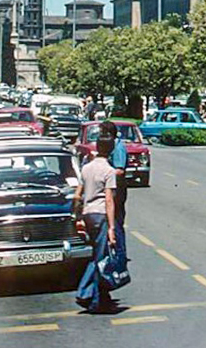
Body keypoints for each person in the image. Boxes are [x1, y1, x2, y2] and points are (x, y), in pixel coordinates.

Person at [74, 130, 120, 313]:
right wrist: (111, 227)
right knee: (100, 259)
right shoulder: (109, 171)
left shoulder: (86, 168)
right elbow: (109, 200)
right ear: (111, 150)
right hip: (100, 215)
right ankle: (86, 294)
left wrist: (78, 217)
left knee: (95, 255)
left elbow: (77, 195)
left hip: (87, 214)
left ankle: (100, 296)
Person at [100, 120, 129, 259]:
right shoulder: (110, 146)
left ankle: (120, 255)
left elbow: (120, 170)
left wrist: (103, 171)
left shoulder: (118, 147)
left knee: (116, 222)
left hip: (117, 189)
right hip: (109, 187)